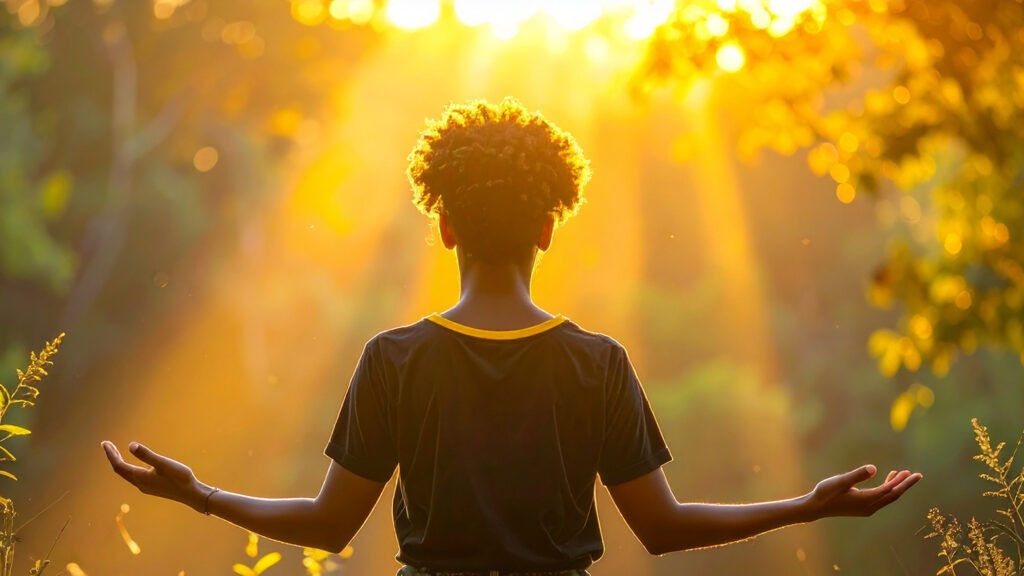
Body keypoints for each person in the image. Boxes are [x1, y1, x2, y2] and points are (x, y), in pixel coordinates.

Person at [102, 98, 923, 576]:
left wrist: (199, 494)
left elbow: (328, 525)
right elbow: (663, 528)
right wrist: (804, 506)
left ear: (445, 226)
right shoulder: (598, 364)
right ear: (548, 227)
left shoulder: (394, 360)